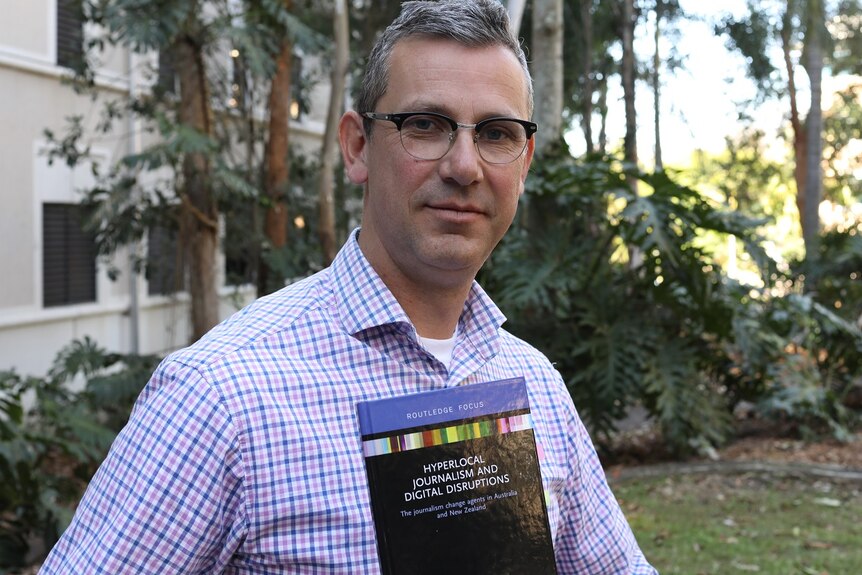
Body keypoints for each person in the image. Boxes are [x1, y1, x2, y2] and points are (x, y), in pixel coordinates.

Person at [40, 1, 657, 573]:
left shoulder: (535, 388)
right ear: (358, 147)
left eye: (496, 133)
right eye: (425, 124)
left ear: (522, 163)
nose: (464, 166)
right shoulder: (222, 398)